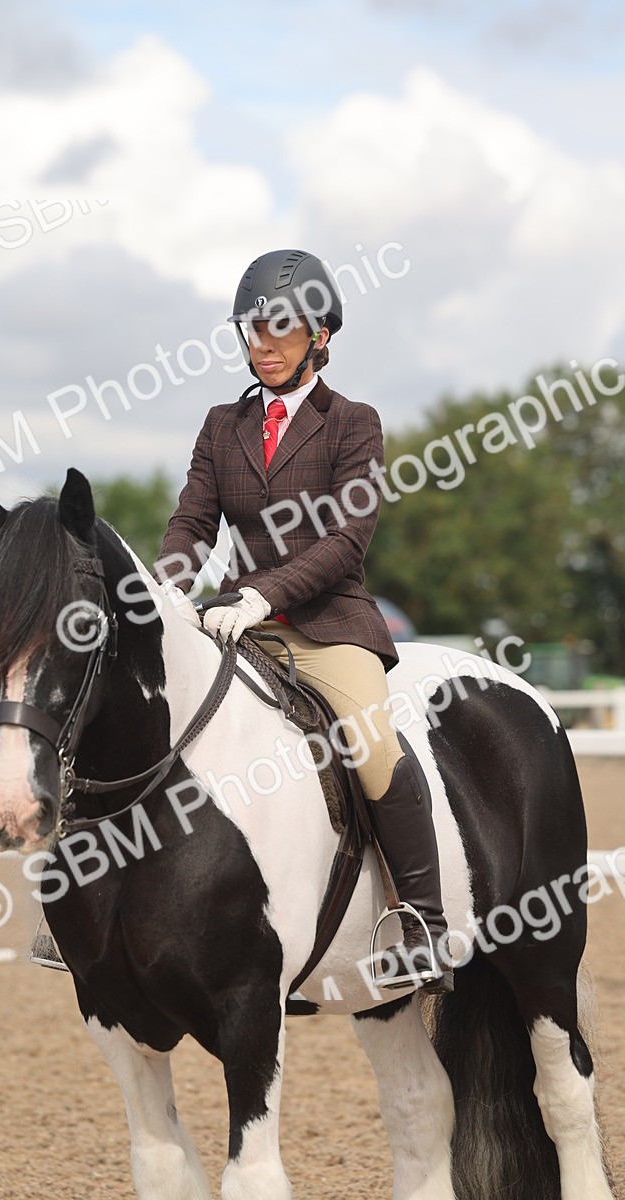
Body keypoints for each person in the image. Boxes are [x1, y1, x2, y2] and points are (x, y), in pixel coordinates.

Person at [154, 248, 453, 994]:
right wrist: (167, 594)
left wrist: (265, 593)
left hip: (328, 624)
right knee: (138, 712)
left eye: (281, 329)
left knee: (373, 745)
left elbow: (346, 538)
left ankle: (422, 921)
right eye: (253, 329)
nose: (264, 343)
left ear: (321, 334)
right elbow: (193, 523)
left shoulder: (354, 423)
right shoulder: (222, 425)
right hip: (234, 621)